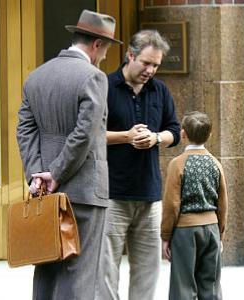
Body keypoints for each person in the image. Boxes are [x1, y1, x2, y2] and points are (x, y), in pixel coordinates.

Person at [16, 9, 122, 300]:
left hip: (44, 192)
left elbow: (25, 131)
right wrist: (57, 174)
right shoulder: (94, 77)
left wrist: (38, 175)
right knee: (80, 274)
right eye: (106, 50)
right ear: (97, 44)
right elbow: (84, 134)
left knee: (47, 270)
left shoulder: (36, 77)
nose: (103, 58)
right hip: (84, 190)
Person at [103, 30, 181, 300]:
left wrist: (156, 137)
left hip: (149, 196)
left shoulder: (159, 90)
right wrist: (126, 136)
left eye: (156, 65)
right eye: (146, 63)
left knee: (148, 271)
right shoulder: (105, 86)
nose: (151, 70)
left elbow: (175, 130)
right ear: (130, 55)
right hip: (111, 195)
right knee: (105, 271)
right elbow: (90, 135)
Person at [161, 111, 228, 300]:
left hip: (185, 231)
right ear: (210, 135)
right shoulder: (215, 164)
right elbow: (223, 202)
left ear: (182, 134)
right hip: (212, 229)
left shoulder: (177, 164)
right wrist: (220, 233)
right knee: (211, 285)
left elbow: (171, 205)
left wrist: (166, 236)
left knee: (183, 285)